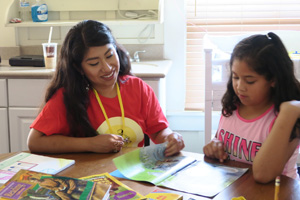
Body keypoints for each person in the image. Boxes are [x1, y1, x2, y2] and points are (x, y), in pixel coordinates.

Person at [27, 20, 185, 157]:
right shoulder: (68, 97)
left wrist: (171, 138)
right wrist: (90, 144)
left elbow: (158, 131)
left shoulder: (138, 88)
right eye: (94, 63)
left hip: (134, 179)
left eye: (110, 55)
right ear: (79, 68)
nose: (107, 68)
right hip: (90, 178)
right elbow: (34, 142)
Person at [203, 32, 300, 183]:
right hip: (237, 189)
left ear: (273, 79)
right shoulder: (233, 105)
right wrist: (215, 146)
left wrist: (289, 112)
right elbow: (223, 141)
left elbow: (263, 175)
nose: (240, 87)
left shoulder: (287, 118)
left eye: (250, 81)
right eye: (235, 77)